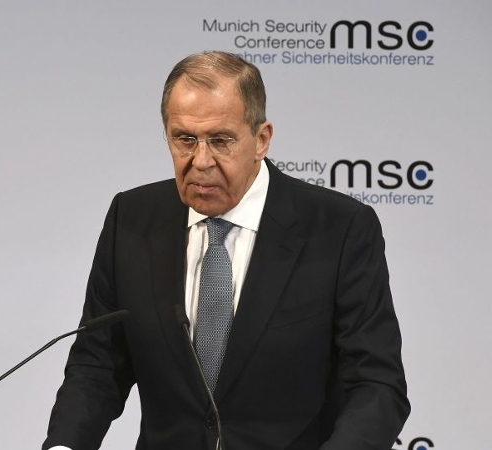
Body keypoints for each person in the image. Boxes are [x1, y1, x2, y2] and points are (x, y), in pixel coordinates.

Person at [42, 51, 409, 450]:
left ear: (261, 139)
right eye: (185, 139)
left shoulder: (338, 228)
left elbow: (376, 383)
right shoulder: (131, 220)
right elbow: (97, 365)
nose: (201, 161)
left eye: (220, 141)